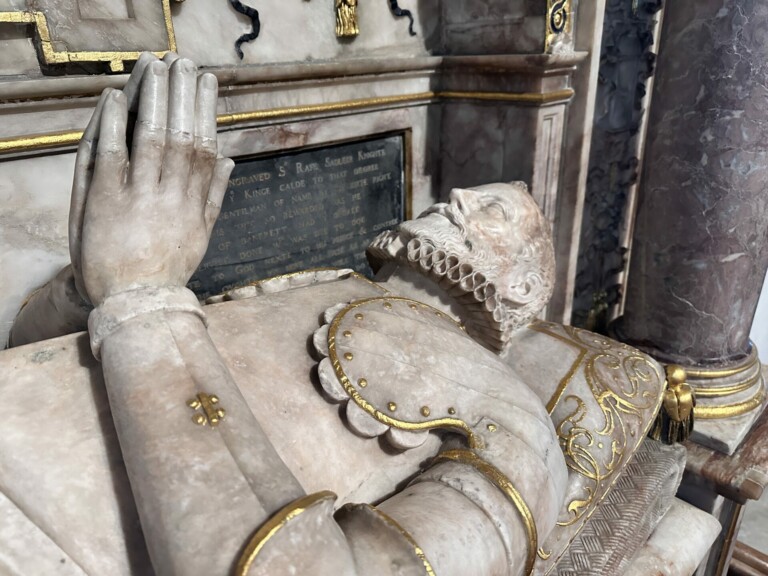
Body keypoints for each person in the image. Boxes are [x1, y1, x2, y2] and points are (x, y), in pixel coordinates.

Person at [1, 54, 668, 576]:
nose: (457, 196)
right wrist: (95, 288)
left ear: (519, 289)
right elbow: (33, 352)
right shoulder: (324, 283)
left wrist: (143, 300)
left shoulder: (521, 427)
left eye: (489, 212)